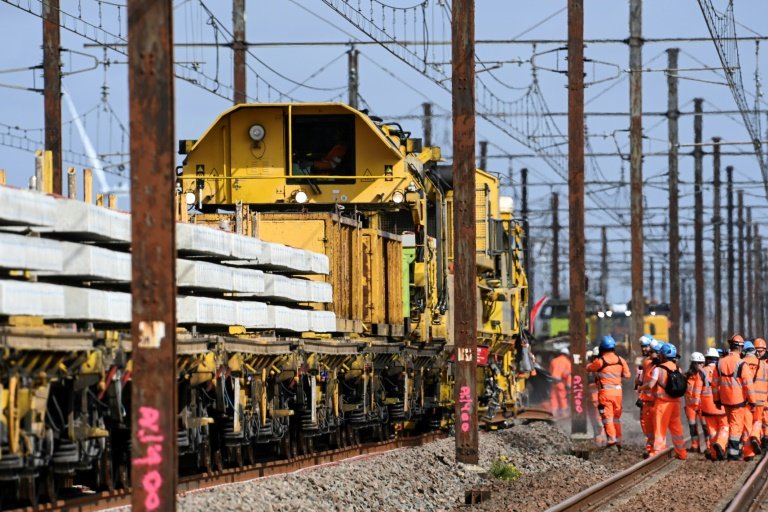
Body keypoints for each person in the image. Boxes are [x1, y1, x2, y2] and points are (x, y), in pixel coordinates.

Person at [713, 334, 756, 461]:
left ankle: (722, 445)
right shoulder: (741, 364)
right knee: (736, 428)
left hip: (725, 400)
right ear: (740, 348)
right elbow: (748, 385)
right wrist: (752, 401)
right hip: (738, 401)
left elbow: (714, 384)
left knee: (728, 424)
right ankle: (733, 454)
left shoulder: (720, 363)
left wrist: (716, 400)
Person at [586, 335, 631, 449]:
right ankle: (619, 441)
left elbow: (589, 368)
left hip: (606, 393)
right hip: (618, 393)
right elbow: (627, 375)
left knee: (608, 418)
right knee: (616, 418)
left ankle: (612, 441)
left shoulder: (600, 361)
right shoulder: (621, 360)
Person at [645, 343, 687, 460]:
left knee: (660, 429)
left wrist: (641, 387)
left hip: (662, 404)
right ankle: (682, 453)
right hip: (675, 403)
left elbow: (651, 385)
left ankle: (657, 453)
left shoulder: (658, 369)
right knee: (676, 429)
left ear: (662, 355)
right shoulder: (678, 368)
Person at [693, 348, 728, 460]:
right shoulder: (723, 370)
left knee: (712, 431)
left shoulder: (701, 372)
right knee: (725, 427)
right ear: (717, 359)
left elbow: (696, 391)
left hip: (707, 407)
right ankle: (721, 445)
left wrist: (696, 406)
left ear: (706, 359)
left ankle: (714, 454)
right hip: (721, 405)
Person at [636, 336, 658, 458]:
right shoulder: (645, 363)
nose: (644, 349)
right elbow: (641, 381)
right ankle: (651, 448)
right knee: (646, 425)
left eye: (646, 346)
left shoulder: (654, 363)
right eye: (642, 347)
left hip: (655, 399)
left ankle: (655, 448)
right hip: (646, 399)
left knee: (654, 424)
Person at [741, 341, 763, 460]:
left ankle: (748, 453)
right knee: (758, 421)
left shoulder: (741, 363)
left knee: (746, 427)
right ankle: (755, 437)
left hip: (746, 400)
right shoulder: (763, 364)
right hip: (761, 399)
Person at [685, 351, 706, 452]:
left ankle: (709, 447)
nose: (701, 365)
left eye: (702, 363)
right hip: (690, 406)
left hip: (702, 406)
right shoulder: (687, 377)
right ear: (693, 364)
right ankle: (695, 445)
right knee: (692, 427)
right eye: (699, 363)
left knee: (705, 426)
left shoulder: (704, 376)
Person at [586, 346, 606, 446]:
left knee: (596, 418)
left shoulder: (592, 366)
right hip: (597, 396)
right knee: (598, 418)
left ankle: (599, 438)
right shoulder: (603, 365)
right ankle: (599, 437)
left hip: (593, 397)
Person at [549, 347, 572, 419]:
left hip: (553, 383)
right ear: (567, 354)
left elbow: (550, 372)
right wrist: (569, 385)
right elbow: (567, 375)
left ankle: (553, 413)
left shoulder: (553, 361)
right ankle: (564, 413)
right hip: (561, 383)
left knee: (553, 398)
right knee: (562, 398)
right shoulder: (567, 362)